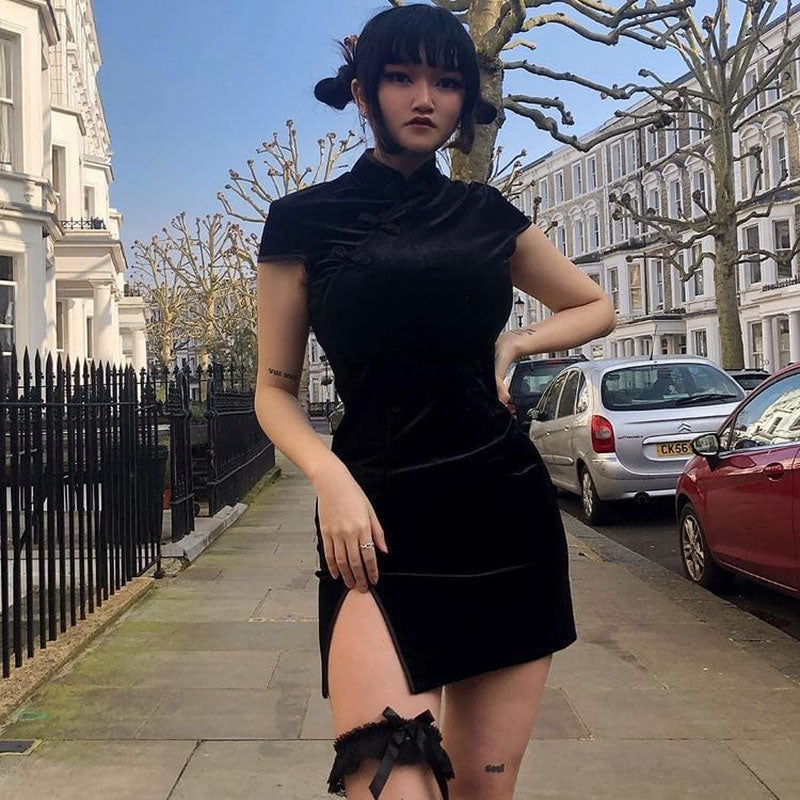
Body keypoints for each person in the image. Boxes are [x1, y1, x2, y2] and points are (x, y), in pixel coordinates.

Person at [254, 5, 616, 798]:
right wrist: (329, 478)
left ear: (464, 99)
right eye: (401, 77)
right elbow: (274, 391)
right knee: (388, 777)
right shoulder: (302, 221)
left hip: (503, 518)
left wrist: (514, 344)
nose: (425, 98)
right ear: (361, 92)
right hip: (371, 526)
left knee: (484, 789)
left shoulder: (487, 215)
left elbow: (596, 305)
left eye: (447, 82)